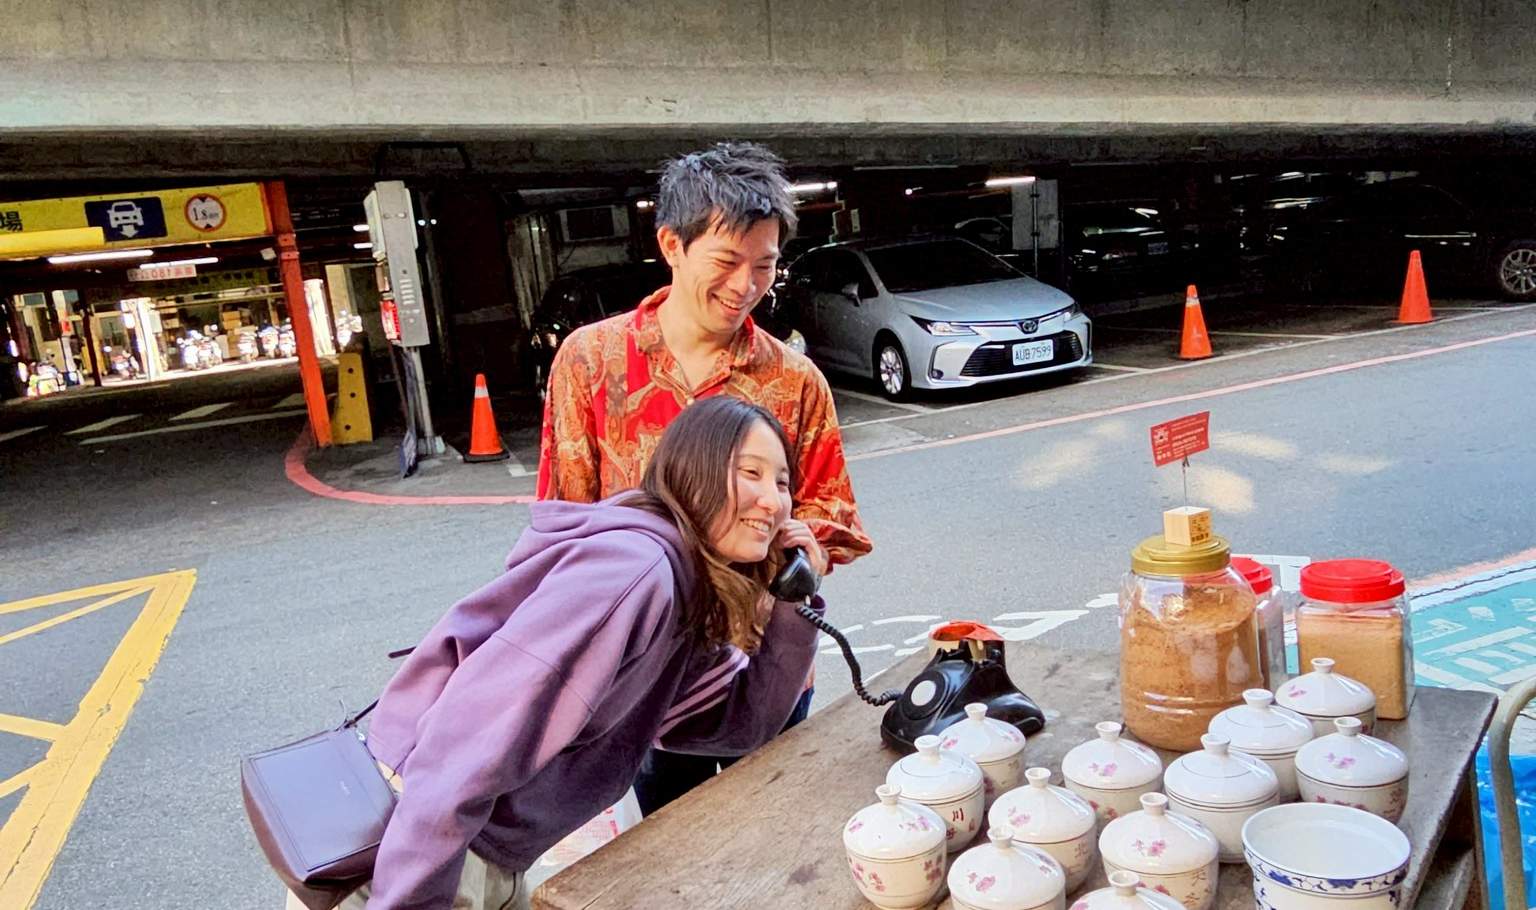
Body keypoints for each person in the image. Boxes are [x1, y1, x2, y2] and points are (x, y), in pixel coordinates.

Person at [299, 398, 824, 910]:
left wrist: (793, 603)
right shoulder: (634, 574)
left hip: (477, 849)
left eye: (781, 482)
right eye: (749, 473)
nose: (773, 502)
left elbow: (739, 726)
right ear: (693, 474)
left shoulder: (688, 590)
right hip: (416, 848)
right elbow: (465, 741)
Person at [535, 141, 873, 813]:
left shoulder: (792, 378)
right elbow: (561, 526)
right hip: (645, 682)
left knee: (772, 838)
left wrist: (796, 543)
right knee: (668, 846)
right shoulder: (591, 362)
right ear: (671, 243)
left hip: (768, 671)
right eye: (726, 261)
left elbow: (834, 512)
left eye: (765, 266)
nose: (746, 285)